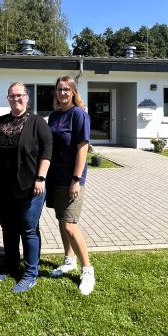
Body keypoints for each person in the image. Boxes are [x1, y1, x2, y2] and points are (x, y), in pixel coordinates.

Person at [0, 82, 53, 293]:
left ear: (27, 97)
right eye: (12, 96)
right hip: (1, 189)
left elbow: (47, 151)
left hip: (30, 189)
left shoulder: (37, 123)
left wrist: (41, 178)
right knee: (8, 230)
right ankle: (11, 264)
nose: (16, 99)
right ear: (8, 99)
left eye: (19, 95)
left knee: (28, 230)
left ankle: (31, 273)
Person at [46, 75, 95, 295]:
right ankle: (69, 259)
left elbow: (82, 148)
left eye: (66, 89)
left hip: (71, 179)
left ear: (73, 92)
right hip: (55, 177)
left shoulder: (79, 114)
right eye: (59, 89)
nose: (62, 93)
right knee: (61, 219)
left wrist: (76, 179)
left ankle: (87, 269)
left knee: (69, 225)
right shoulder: (54, 116)